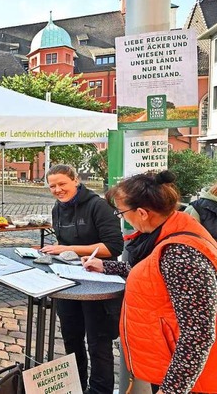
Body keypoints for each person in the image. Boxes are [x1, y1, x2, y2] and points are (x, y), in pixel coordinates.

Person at [97, 170, 216, 394]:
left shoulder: (181, 254)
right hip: (169, 364)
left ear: (142, 213)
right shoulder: (168, 231)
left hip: (190, 382)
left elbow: (198, 333)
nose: (122, 218)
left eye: (121, 213)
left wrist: (171, 389)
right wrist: (106, 266)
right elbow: (153, 274)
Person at [40, 164, 123, 394]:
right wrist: (56, 251)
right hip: (68, 282)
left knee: (98, 343)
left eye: (62, 184)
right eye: (52, 186)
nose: (57, 189)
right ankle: (75, 387)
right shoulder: (58, 208)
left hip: (99, 284)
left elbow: (114, 246)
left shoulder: (98, 206)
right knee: (71, 338)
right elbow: (62, 245)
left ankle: (100, 390)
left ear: (76, 181)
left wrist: (69, 249)